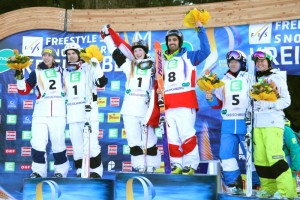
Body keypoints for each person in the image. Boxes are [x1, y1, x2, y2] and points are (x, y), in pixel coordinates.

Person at [101, 25, 161, 173]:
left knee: (150, 141)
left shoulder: (155, 66)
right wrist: (108, 38)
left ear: (145, 51)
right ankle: (139, 166)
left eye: (140, 50)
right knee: (134, 141)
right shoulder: (129, 65)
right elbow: (115, 52)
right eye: (135, 51)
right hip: (129, 109)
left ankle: (153, 165)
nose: (138, 53)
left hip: (147, 108)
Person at [205, 50, 260, 194]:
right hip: (228, 122)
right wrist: (209, 97)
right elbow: (217, 104)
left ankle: (255, 184)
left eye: (236, 62)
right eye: (231, 62)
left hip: (245, 121)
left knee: (252, 155)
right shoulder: (223, 81)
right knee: (226, 154)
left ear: (242, 63)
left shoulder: (250, 77)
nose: (233, 64)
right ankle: (234, 184)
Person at [162, 21, 210, 175]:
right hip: (168, 104)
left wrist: (200, 30)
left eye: (174, 40)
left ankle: (191, 165)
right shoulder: (161, 60)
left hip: (185, 101)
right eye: (169, 40)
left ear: (180, 42)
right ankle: (177, 164)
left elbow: (206, 51)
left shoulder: (189, 56)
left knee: (186, 133)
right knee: (172, 137)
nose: (172, 42)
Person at [15, 46, 69, 178]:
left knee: (58, 142)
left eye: (49, 55)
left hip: (58, 113)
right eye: (44, 55)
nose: (46, 57)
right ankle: (39, 171)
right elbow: (23, 90)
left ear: (54, 57)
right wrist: (19, 76)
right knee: (38, 142)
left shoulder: (63, 71)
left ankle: (61, 171)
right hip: (40, 113)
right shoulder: (36, 72)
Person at [251, 49, 297, 199]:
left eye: (262, 61)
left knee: (275, 156)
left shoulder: (277, 77)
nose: (260, 64)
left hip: (272, 122)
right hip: (258, 123)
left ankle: (287, 192)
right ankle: (269, 188)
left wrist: (270, 104)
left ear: (269, 62)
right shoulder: (254, 78)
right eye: (257, 62)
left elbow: (286, 101)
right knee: (260, 158)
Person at [63, 42, 108, 178]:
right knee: (77, 145)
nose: (71, 56)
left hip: (89, 112)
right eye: (68, 54)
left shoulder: (88, 67)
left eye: (73, 53)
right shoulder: (65, 71)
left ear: (79, 54)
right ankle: (80, 170)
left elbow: (101, 82)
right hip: (72, 112)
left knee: (92, 143)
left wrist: (95, 63)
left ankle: (95, 171)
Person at [283, 118, 300, 195]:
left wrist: (295, 167)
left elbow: (295, 149)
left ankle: (290, 194)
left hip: (287, 160)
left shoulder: (286, 130)